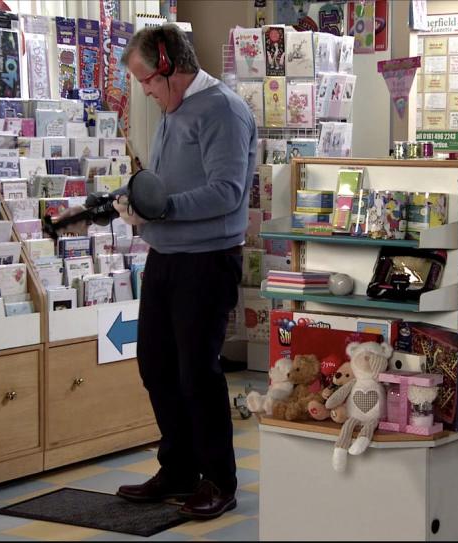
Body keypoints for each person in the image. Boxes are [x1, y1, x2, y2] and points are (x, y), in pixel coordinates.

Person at [112, 24, 257, 519]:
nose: (147, 91)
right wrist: (138, 202)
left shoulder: (222, 110)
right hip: (166, 257)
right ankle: (178, 468)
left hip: (207, 260)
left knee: (198, 371)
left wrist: (163, 208)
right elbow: (166, 184)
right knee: (155, 364)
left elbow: (227, 191)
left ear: (170, 64)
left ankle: (220, 479)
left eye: (149, 80)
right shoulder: (175, 110)